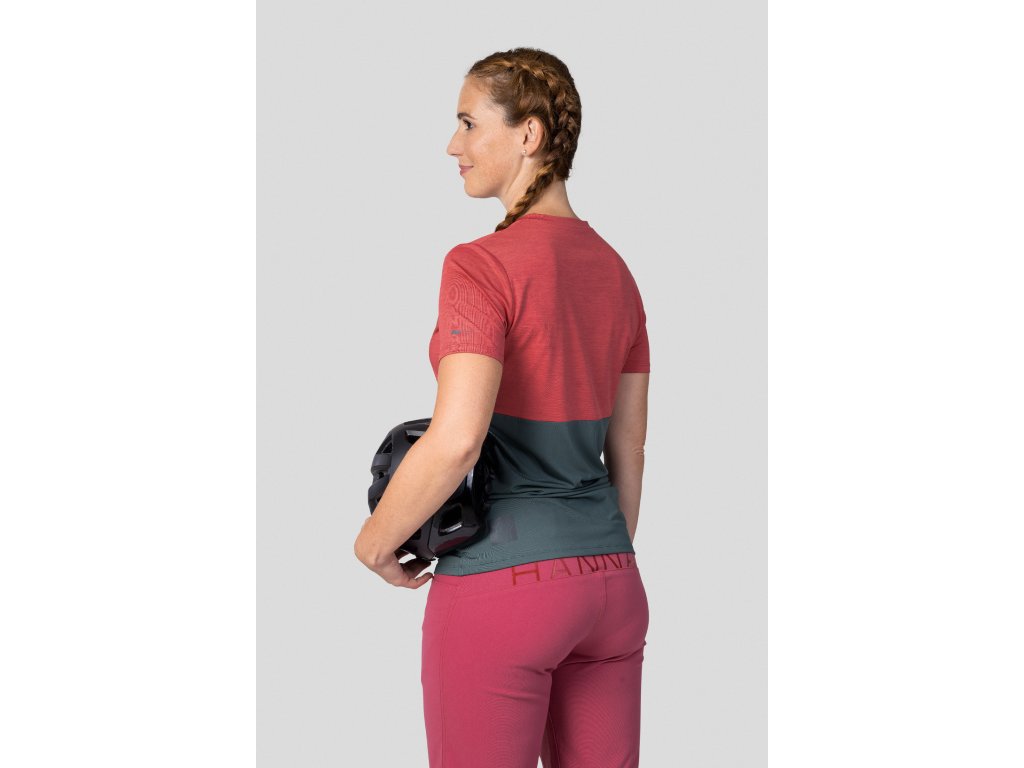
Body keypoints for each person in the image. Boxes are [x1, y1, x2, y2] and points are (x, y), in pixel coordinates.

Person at [354, 46, 651, 767]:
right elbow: (629, 449)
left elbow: (458, 437)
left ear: (529, 135)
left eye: (468, 123)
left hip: (504, 588)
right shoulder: (617, 273)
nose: (452, 146)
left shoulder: (480, 266)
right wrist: (595, 555)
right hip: (612, 585)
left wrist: (375, 542)